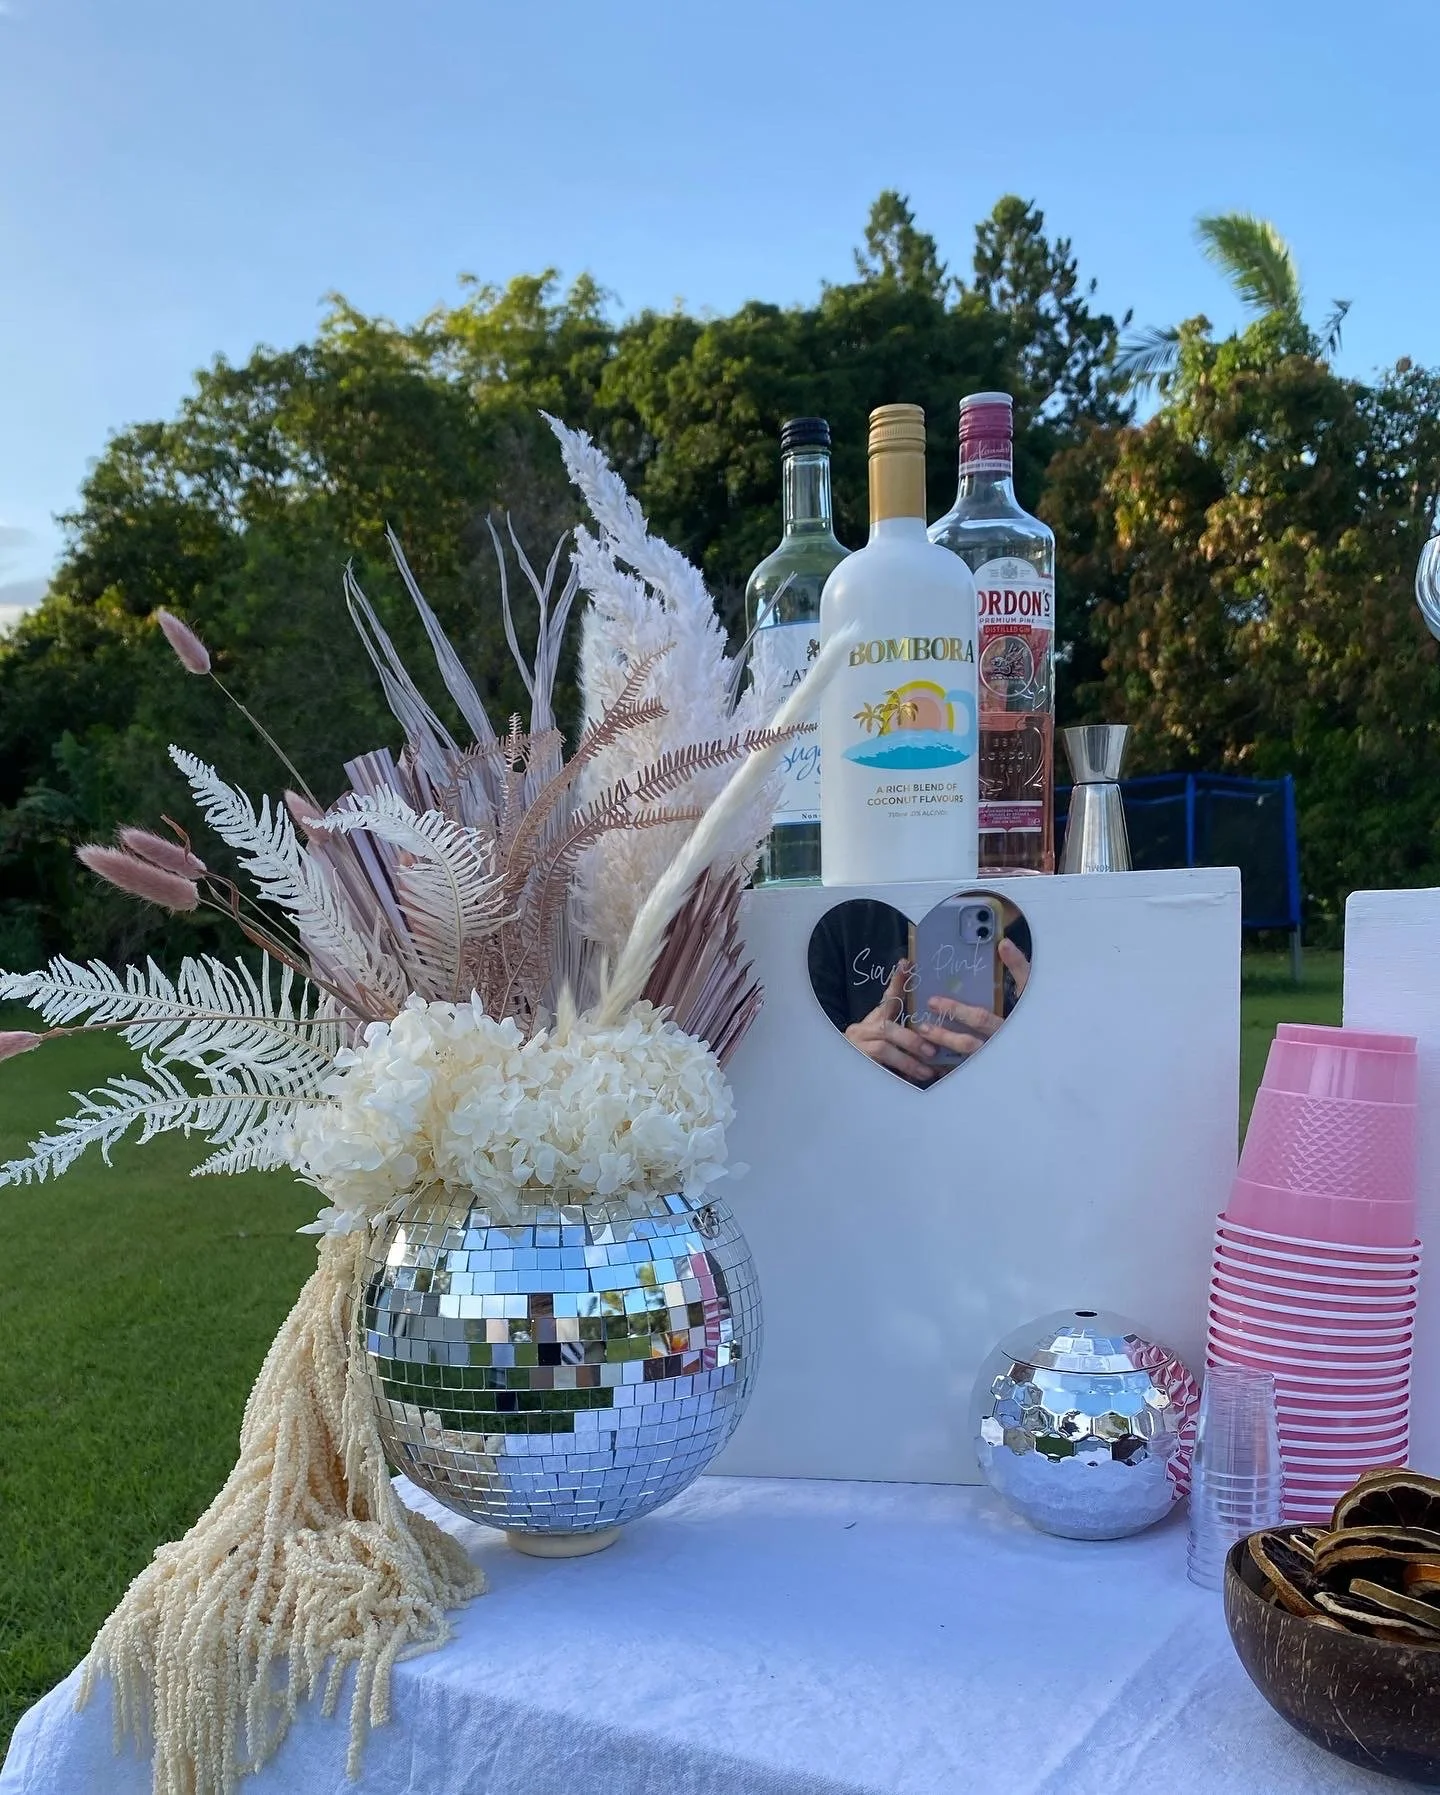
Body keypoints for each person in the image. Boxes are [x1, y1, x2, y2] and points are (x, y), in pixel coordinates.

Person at [807, 897, 1030, 1086]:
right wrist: (841, 1067)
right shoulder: (841, 917)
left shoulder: (1049, 923)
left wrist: (1038, 1054)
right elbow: (799, 1084)